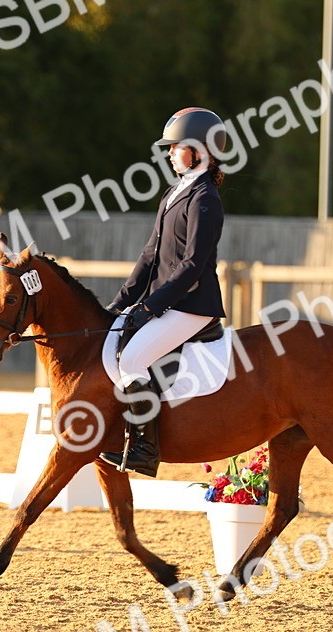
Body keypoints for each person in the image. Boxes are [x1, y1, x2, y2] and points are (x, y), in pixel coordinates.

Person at [98, 107, 229, 477]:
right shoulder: (175, 193)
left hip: (193, 305)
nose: (170, 153)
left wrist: (151, 308)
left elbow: (191, 265)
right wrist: (121, 302)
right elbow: (151, 254)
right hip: (169, 301)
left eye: (176, 147)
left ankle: (145, 449)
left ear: (200, 151)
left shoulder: (205, 199)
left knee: (132, 360)